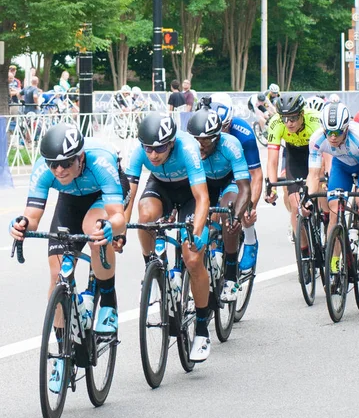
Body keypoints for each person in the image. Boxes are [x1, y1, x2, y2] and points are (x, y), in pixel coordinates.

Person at [9, 124, 126, 355]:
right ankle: (63, 351)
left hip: (103, 197)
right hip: (70, 198)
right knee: (56, 275)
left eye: (66, 163)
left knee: (93, 231)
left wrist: (111, 227)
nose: (59, 170)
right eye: (53, 164)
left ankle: (109, 304)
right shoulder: (44, 169)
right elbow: (32, 216)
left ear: (80, 157)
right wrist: (21, 224)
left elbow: (118, 216)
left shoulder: (100, 163)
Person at [123, 113, 212, 362]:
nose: (153, 154)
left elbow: (203, 198)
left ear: (171, 142)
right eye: (149, 148)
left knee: (193, 259)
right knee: (145, 215)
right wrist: (120, 230)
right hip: (160, 186)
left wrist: (195, 233)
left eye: (160, 148)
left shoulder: (188, 148)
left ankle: (203, 329)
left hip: (189, 193)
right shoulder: (141, 151)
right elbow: (128, 195)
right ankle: (151, 267)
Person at [187, 106, 251, 302]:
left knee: (227, 214)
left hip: (229, 181)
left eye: (205, 140)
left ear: (217, 137)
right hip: (205, 183)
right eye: (196, 139)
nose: (200, 145)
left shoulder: (231, 145)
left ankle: (231, 274)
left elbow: (245, 188)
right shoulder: (188, 148)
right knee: (192, 221)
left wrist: (237, 218)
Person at [306, 102, 359, 269]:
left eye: (337, 132)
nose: (332, 137)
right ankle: (333, 264)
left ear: (346, 128)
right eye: (328, 132)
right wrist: (308, 199)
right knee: (334, 211)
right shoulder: (317, 139)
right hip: (341, 166)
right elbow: (313, 175)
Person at [264, 93, 323, 279]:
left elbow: (326, 155)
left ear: (302, 114)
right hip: (295, 157)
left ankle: (329, 224)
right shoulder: (275, 123)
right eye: (285, 118)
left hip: (315, 153)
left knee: (321, 193)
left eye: (293, 118)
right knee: (296, 205)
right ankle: (305, 254)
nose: (289, 123)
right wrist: (271, 187)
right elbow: (272, 161)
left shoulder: (314, 120)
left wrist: (322, 178)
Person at [210, 92, 263, 269]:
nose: (218, 134)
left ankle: (250, 240)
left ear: (231, 121)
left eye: (224, 127)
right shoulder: (199, 126)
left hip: (237, 174)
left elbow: (255, 174)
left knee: (241, 209)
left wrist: (251, 206)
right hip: (213, 172)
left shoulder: (244, 133)